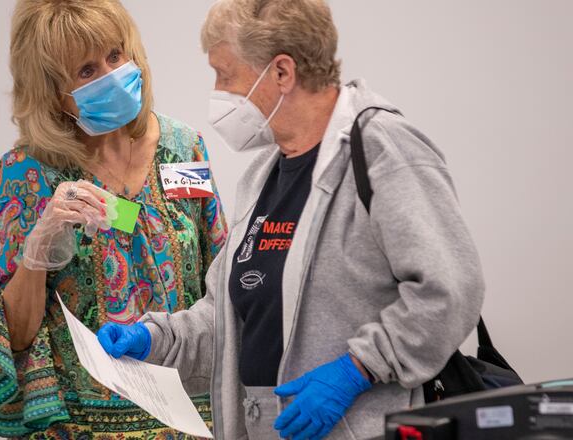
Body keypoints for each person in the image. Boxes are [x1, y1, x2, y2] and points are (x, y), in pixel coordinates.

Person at [98, 0, 485, 438]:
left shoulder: (382, 150)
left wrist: (358, 368)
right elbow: (230, 320)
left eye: (225, 74)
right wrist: (155, 338)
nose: (218, 91)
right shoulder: (264, 176)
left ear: (282, 72)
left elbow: (451, 290)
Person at [0, 0, 227, 438]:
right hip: (81, 427)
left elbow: (223, 287)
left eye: (115, 55)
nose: (111, 75)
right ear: (54, 93)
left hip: (187, 420)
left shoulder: (184, 149)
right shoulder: (28, 173)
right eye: (87, 71)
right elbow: (13, 337)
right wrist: (41, 243)